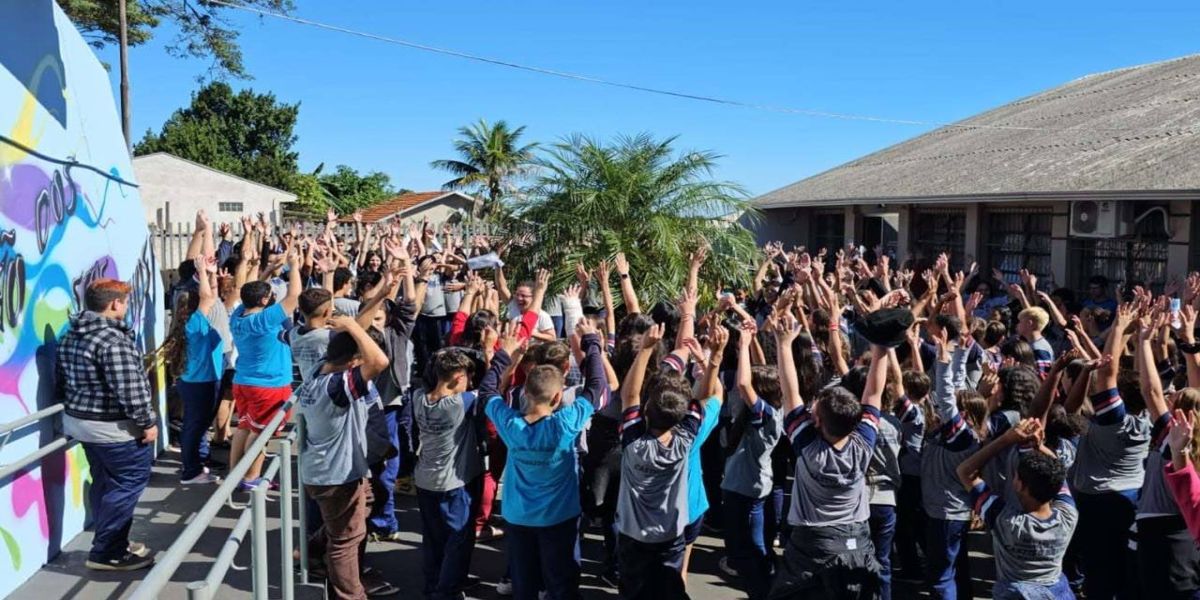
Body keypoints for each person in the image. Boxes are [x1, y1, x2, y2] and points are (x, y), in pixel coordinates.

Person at [483, 319, 608, 599]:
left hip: (518, 518)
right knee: (562, 582)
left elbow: (488, 392)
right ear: (557, 397)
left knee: (524, 583)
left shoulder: (510, 424)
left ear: (525, 393)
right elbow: (597, 387)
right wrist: (592, 343)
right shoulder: (564, 424)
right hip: (559, 517)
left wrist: (504, 353)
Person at [770, 300, 887, 600]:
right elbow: (874, 392)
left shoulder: (808, 447)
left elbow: (790, 392)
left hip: (814, 545)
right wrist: (882, 347)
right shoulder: (863, 442)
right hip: (857, 541)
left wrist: (783, 346)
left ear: (818, 422)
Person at [57, 279, 156, 571]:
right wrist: (147, 422)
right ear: (114, 304)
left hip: (81, 424)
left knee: (104, 482)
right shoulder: (113, 341)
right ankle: (107, 551)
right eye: (124, 302)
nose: (125, 307)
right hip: (114, 429)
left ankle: (112, 543)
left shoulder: (71, 334)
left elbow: (60, 380)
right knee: (126, 483)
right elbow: (131, 389)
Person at [297, 316, 390, 600]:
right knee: (345, 541)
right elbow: (379, 362)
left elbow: (352, 352)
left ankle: (311, 550)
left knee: (366, 503)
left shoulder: (317, 371)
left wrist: (351, 327)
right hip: (336, 477)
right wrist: (352, 326)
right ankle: (350, 595)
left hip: (329, 470)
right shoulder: (336, 388)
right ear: (353, 363)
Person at [615, 323, 706, 599]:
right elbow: (700, 398)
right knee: (669, 589)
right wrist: (706, 360)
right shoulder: (685, 441)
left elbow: (628, 394)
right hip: (670, 537)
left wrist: (645, 351)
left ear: (645, 410)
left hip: (633, 535)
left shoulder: (633, 444)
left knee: (633, 590)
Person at [956, 419, 1078, 599]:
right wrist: (1040, 447)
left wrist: (1006, 439)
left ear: (1020, 485)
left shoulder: (1006, 520)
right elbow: (1059, 473)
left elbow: (964, 471)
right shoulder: (1068, 516)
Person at [413, 348, 484, 600]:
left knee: (433, 539)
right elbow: (490, 386)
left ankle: (433, 585)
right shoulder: (459, 403)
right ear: (457, 378)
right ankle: (447, 592)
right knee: (458, 539)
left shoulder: (418, 397)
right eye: (467, 376)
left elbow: (428, 375)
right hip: (453, 483)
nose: (470, 382)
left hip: (425, 480)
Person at [229, 246, 302, 493]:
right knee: (261, 434)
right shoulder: (264, 319)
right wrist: (294, 265)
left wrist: (268, 271)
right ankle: (251, 478)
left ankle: (234, 474)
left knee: (244, 426)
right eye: (269, 296)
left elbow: (247, 293)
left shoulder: (238, 316)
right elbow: (295, 296)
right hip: (268, 386)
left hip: (243, 382)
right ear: (263, 301)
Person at [722, 320, 784, 600]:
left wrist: (744, 345)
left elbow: (746, 382)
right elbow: (759, 374)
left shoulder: (768, 416)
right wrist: (750, 342)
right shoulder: (768, 407)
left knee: (749, 548)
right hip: (746, 485)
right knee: (750, 545)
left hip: (745, 489)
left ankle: (762, 590)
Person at [166, 257, 228, 485]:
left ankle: (194, 467)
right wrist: (202, 271)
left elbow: (209, 295)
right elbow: (207, 297)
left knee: (197, 426)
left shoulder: (190, 322)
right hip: (199, 384)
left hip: (197, 382)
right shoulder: (194, 323)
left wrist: (211, 275)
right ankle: (190, 471)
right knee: (195, 426)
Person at [1016, 307, 1055, 378]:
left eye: (1020, 322)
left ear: (1029, 323)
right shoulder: (1033, 344)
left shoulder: (1038, 348)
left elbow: (1042, 376)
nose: (1017, 325)